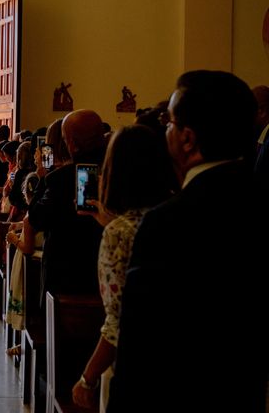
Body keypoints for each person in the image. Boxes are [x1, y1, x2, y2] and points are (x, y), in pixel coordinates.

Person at [108, 71, 268, 413]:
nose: (164, 128)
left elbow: (140, 342)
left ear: (188, 139)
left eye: (169, 121)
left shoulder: (169, 221)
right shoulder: (260, 203)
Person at [70, 125, 175, 412]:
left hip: (139, 366)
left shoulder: (121, 233)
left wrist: (87, 378)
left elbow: (119, 322)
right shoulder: (178, 216)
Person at [29, 109, 107, 301]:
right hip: (104, 271)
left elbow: (37, 219)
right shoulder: (117, 171)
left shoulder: (60, 179)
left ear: (70, 142)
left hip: (66, 274)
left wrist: (41, 178)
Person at [4, 172, 43, 351]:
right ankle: (23, 343)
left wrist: (13, 238)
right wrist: (20, 226)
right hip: (41, 264)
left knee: (24, 298)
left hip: (27, 262)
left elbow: (26, 247)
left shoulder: (31, 215)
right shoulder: (42, 211)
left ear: (26, 194)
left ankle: (24, 343)